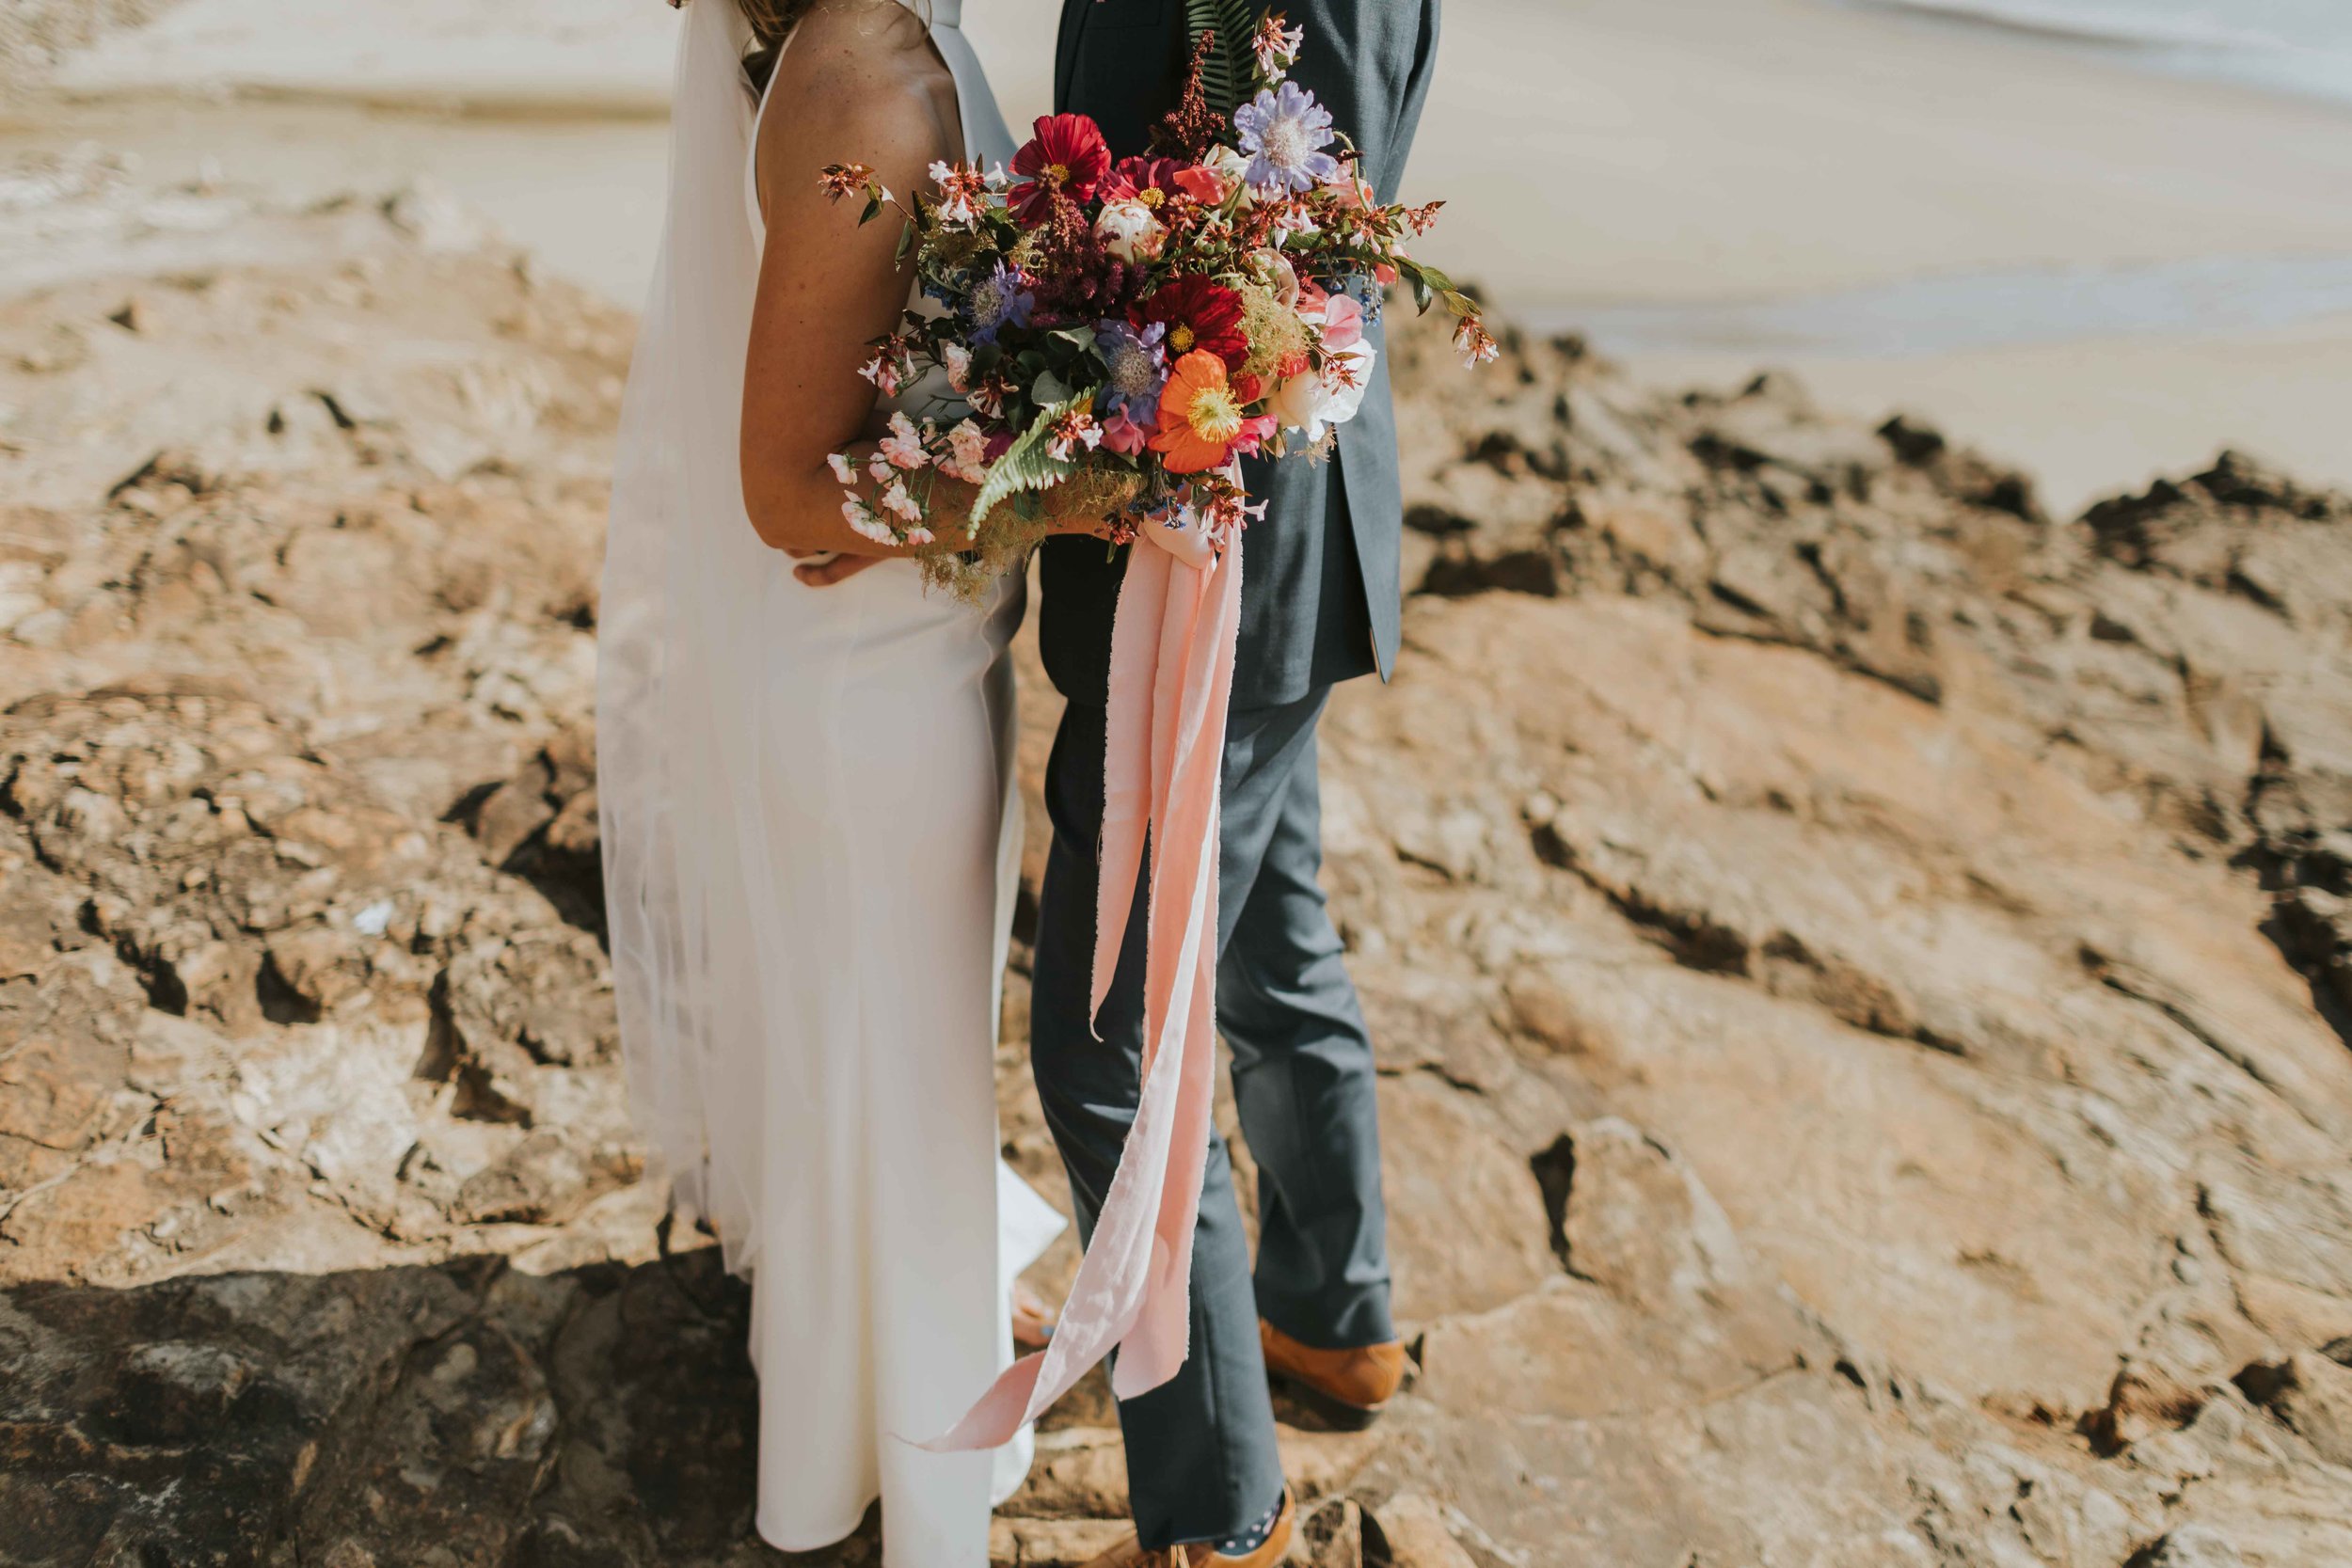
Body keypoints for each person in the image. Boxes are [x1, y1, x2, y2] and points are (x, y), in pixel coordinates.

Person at [596, 1, 1096, 1562]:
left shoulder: (889, 34)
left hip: (913, 662)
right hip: (875, 693)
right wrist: (1066, 492)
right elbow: (780, 484)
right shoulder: (866, 79)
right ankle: (902, 1464)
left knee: (894, 1065)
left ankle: (871, 1387)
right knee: (895, 1072)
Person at [1026, 2, 1439, 1563]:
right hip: (1263, 533)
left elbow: (1283, 259)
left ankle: (1220, 1520)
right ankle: (1334, 1315)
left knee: (1108, 1046)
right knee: (1267, 932)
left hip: (1221, 553)